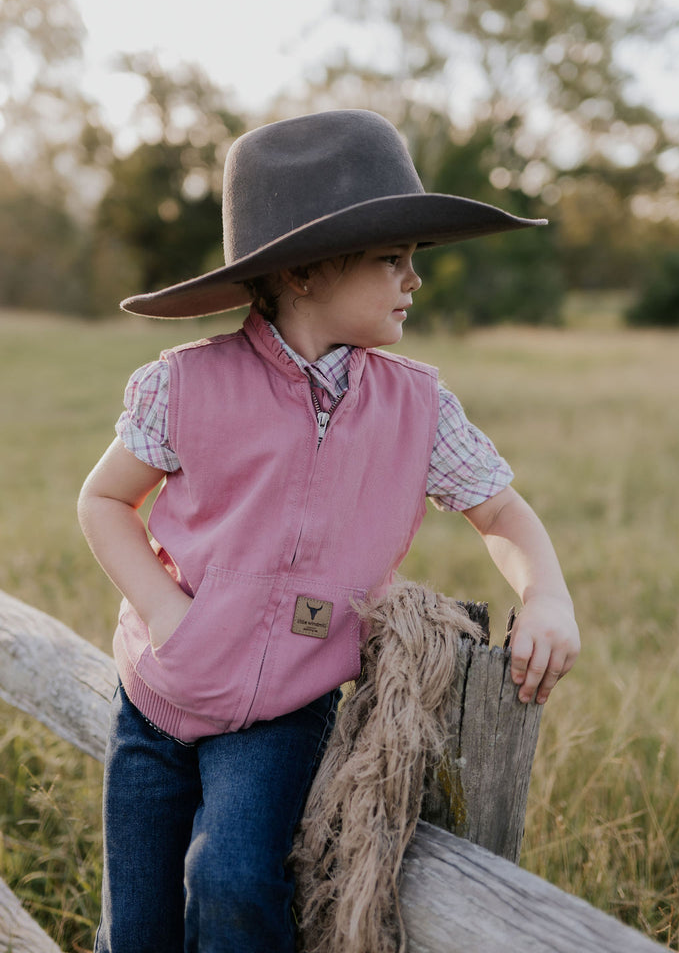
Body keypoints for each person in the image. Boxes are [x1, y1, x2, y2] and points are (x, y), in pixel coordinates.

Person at [78, 109, 579, 953]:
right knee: (140, 928)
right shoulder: (184, 385)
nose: (413, 280)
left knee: (232, 880)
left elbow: (499, 511)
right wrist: (171, 617)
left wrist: (546, 595)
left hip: (282, 710)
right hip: (156, 700)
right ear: (305, 273)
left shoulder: (418, 406)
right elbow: (102, 502)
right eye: (392, 259)